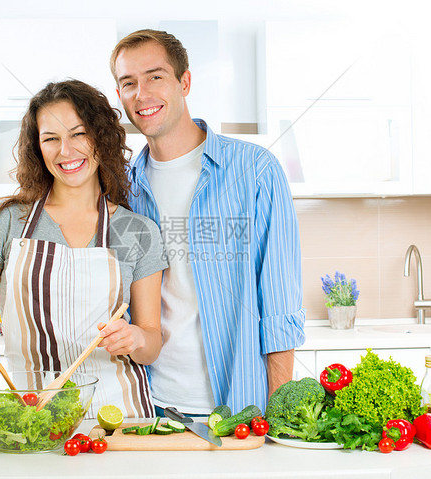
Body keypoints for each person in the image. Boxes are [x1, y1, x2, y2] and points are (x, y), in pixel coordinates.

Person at [0, 80, 167, 418]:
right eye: (51, 139)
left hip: (119, 417)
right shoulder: (3, 219)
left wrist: (135, 338)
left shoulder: (137, 230)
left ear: (101, 139)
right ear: (37, 147)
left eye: (78, 134)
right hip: (34, 417)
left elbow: (152, 343)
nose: (66, 151)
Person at [110, 30, 306, 415]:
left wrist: (278, 419)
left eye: (155, 77)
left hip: (238, 410)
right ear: (119, 94)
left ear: (184, 81)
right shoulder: (124, 189)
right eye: (128, 83)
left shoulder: (255, 171)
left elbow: (280, 306)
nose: (141, 94)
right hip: (149, 409)